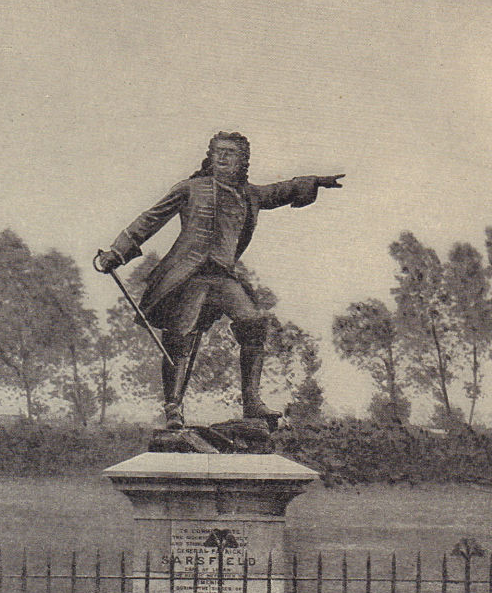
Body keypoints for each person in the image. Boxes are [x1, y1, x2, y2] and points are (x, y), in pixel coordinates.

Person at [97, 132, 343, 430]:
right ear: (210, 156)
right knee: (180, 337)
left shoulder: (249, 195)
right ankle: (173, 406)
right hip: (189, 277)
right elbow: (151, 218)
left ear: (243, 161)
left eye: (230, 153)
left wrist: (313, 181)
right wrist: (117, 252)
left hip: (223, 277)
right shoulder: (190, 188)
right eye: (218, 152)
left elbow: (281, 191)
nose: (223, 158)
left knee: (253, 323)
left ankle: (251, 402)